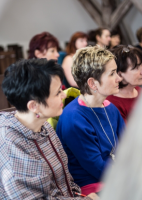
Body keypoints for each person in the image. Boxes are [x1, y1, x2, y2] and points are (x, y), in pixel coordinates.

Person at [0, 59, 98, 200]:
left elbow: (66, 183)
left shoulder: (43, 126)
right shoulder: (9, 143)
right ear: (33, 106)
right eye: (57, 93)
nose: (64, 95)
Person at [56, 46, 125, 195]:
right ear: (93, 83)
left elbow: (127, 147)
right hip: (91, 187)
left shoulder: (110, 108)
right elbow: (98, 168)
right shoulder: (74, 118)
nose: (119, 78)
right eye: (112, 73)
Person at [106, 45, 142, 123]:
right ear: (119, 74)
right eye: (136, 68)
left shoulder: (138, 90)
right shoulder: (113, 104)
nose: (141, 72)